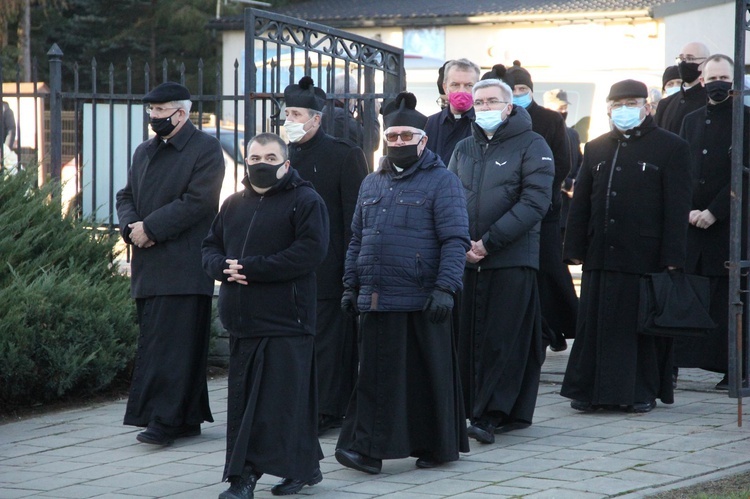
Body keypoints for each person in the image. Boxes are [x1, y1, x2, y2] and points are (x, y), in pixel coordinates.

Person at [335, 91, 470, 473]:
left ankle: (436, 447)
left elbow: (455, 239)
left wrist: (446, 288)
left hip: (423, 298)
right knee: (376, 377)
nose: (397, 143)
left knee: (428, 378)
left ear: (422, 140)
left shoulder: (443, 182)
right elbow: (357, 239)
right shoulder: (371, 184)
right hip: (377, 297)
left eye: (405, 137)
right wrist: (350, 285)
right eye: (392, 137)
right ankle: (367, 450)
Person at [202, 132, 329, 499]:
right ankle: (305, 467)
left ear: (286, 163)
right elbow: (210, 245)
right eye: (254, 158)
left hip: (287, 320)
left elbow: (309, 251)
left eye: (270, 158)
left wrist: (252, 269)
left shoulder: (306, 200)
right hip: (242, 322)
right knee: (249, 402)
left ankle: (244, 477)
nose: (261, 164)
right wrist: (222, 267)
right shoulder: (233, 204)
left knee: (276, 404)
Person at [561, 79, 692, 413]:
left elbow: (677, 207)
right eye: (618, 104)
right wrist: (573, 247)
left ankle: (639, 391)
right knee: (596, 324)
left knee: (637, 328)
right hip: (601, 252)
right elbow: (582, 205)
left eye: (632, 102)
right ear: (608, 108)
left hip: (644, 254)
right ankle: (589, 390)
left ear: (647, 106)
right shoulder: (597, 147)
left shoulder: (671, 146)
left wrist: (673, 257)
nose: (625, 109)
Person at [115, 82, 223, 445]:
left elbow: (200, 202)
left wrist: (153, 228)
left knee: (173, 347)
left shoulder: (205, 149)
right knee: (159, 340)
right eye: (151, 111)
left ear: (182, 113)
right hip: (148, 263)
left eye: (160, 111)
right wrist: (131, 228)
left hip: (184, 265)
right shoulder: (144, 151)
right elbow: (126, 194)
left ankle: (164, 420)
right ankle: (186, 417)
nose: (153, 118)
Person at [448, 78, 554, 443]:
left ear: (509, 107)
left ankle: (494, 413)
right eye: (480, 101)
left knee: (502, 339)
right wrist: (460, 242)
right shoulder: (463, 148)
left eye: (493, 101)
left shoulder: (532, 144)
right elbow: (448, 198)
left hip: (510, 258)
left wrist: (488, 243)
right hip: (466, 259)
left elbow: (536, 202)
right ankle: (466, 408)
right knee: (466, 338)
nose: (486, 107)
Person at [283, 76, 369, 436]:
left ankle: (328, 410)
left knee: (329, 344)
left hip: (329, 268)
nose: (288, 119)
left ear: (316, 119)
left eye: (296, 113)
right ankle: (295, 404)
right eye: (286, 112)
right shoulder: (279, 155)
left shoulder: (343, 155)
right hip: (285, 267)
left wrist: (352, 271)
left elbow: (356, 219)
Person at [486, 61, 576, 353]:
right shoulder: (500, 118)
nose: (519, 93)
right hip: (509, 210)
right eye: (514, 89)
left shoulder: (550, 119)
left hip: (546, 210)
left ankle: (561, 326)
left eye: (523, 88)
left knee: (549, 272)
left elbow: (562, 162)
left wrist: (541, 195)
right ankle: (541, 331)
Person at [674, 54, 750, 390]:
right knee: (691, 292)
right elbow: (680, 167)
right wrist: (689, 207)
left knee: (727, 297)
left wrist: (715, 210)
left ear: (734, 80)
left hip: (728, 223)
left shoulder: (745, 118)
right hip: (692, 223)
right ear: (702, 81)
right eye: (712, 76)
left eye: (724, 76)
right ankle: (679, 361)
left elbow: (745, 172)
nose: (718, 82)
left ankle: (732, 367)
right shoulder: (690, 119)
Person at [542, 88, 582, 242]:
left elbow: (580, 161)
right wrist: (566, 184)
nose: (563, 111)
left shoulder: (572, 133)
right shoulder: (542, 132)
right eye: (559, 108)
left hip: (569, 207)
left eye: (565, 107)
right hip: (552, 201)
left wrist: (575, 183)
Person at [424, 58, 480, 164]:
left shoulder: (484, 124)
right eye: (455, 85)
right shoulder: (428, 124)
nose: (461, 91)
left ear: (477, 88)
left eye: (469, 85)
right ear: (445, 87)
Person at [655, 42, 710, 133]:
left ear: (705, 63)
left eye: (690, 58)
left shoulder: (711, 100)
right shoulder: (665, 104)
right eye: (681, 58)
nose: (684, 63)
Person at [322, 72, 381, 153]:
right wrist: (372, 114)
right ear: (349, 96)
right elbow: (371, 143)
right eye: (355, 97)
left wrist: (361, 117)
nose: (356, 102)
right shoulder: (339, 116)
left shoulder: (327, 110)